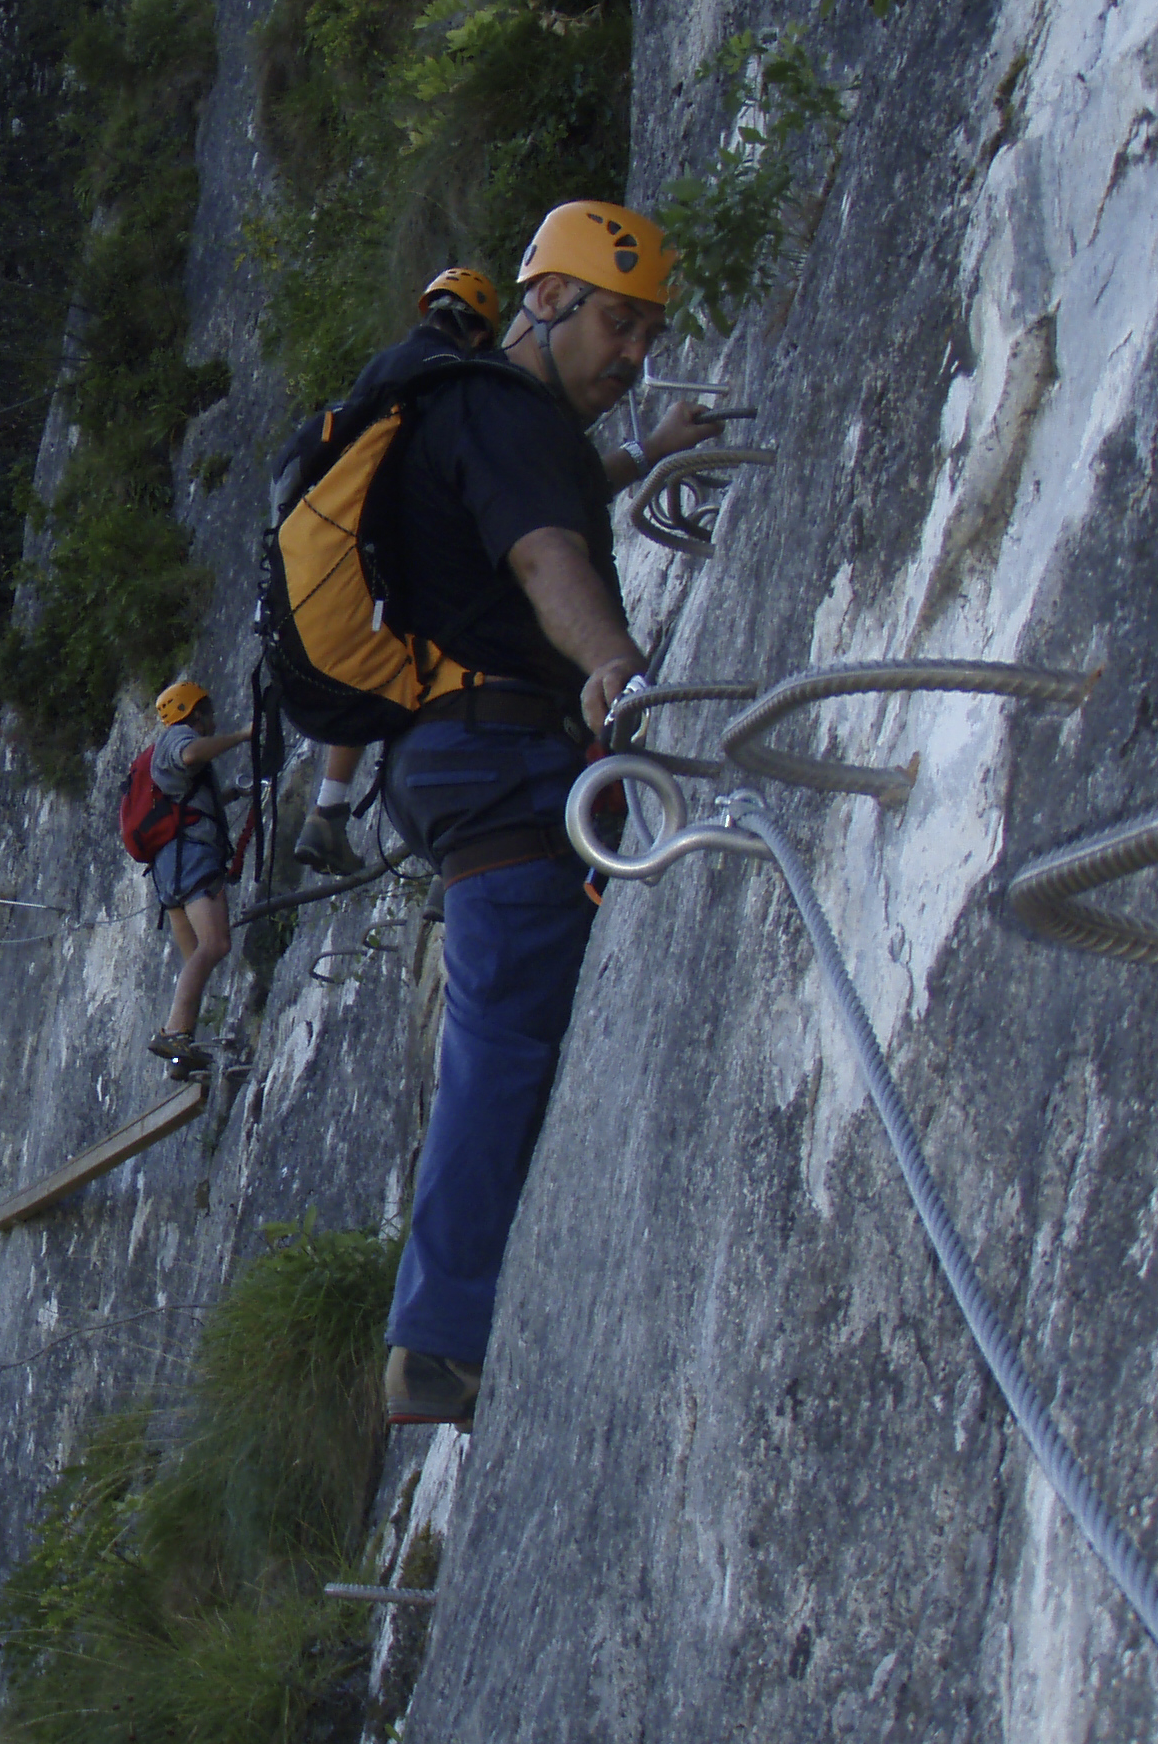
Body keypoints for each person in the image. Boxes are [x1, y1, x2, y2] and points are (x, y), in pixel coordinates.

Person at [376, 201, 724, 1425]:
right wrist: (618, 668)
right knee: (514, 1024)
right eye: (617, 324)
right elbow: (543, 558)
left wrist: (650, 450)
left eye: (647, 333)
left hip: (465, 755)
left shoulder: (487, 419)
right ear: (546, 303)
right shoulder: (499, 412)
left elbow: (552, 510)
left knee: (514, 1015)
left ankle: (445, 1323)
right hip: (500, 758)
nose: (632, 354)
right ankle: (442, 1338)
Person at [292, 267, 503, 879]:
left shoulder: (382, 367)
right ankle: (452, 862)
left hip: (357, 556)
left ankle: (328, 811)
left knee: (374, 670)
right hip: (420, 547)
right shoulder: (454, 373)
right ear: (481, 332)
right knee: (460, 667)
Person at [141, 679, 252, 1072]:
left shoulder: (163, 755)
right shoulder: (179, 737)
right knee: (216, 944)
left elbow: (187, 803)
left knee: (196, 958)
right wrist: (242, 736)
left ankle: (179, 1057)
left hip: (169, 869)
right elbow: (189, 755)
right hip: (190, 862)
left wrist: (233, 796)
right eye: (208, 712)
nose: (213, 719)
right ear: (195, 712)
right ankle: (173, 1033)